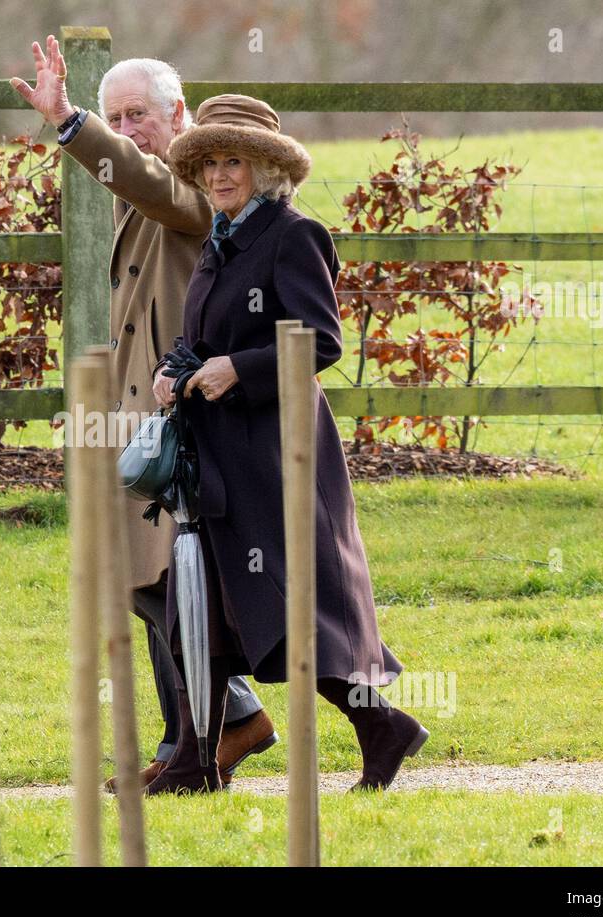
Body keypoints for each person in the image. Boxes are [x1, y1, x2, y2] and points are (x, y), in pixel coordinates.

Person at [144, 93, 431, 796]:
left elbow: (322, 341)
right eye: (210, 161)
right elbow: (202, 336)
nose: (218, 175)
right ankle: (191, 760)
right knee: (196, 607)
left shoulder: (293, 234)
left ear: (267, 168)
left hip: (277, 459)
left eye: (233, 160)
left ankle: (383, 728)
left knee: (289, 616)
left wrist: (236, 369)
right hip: (214, 457)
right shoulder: (220, 238)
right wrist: (174, 370)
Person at [11, 38, 278, 793]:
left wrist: (71, 122)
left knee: (167, 580)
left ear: (179, 117)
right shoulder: (150, 192)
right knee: (148, 581)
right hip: (148, 419)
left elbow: (146, 178)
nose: (128, 129)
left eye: (140, 116)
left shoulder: (196, 189)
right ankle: (223, 723)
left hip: (193, 419)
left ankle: (203, 739)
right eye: (115, 115)